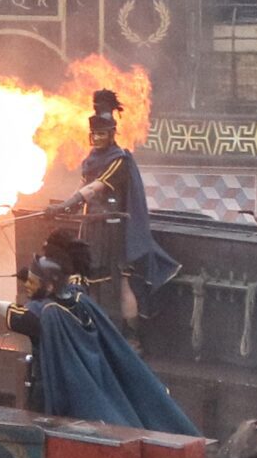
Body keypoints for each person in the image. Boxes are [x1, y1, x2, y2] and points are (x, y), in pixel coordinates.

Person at [0, 232, 195, 432]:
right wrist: (37, 273)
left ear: (49, 285)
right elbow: (69, 277)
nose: (27, 285)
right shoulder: (77, 296)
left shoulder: (46, 315)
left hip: (56, 388)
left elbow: (3, 309)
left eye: (34, 281)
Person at [57, 87, 179, 312]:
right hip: (91, 226)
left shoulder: (119, 160)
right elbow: (85, 185)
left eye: (102, 134)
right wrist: (65, 206)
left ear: (111, 134)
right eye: (94, 134)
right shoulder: (90, 159)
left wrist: (70, 201)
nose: (97, 138)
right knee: (87, 279)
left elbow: (96, 187)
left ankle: (129, 336)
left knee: (119, 283)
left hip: (113, 232)